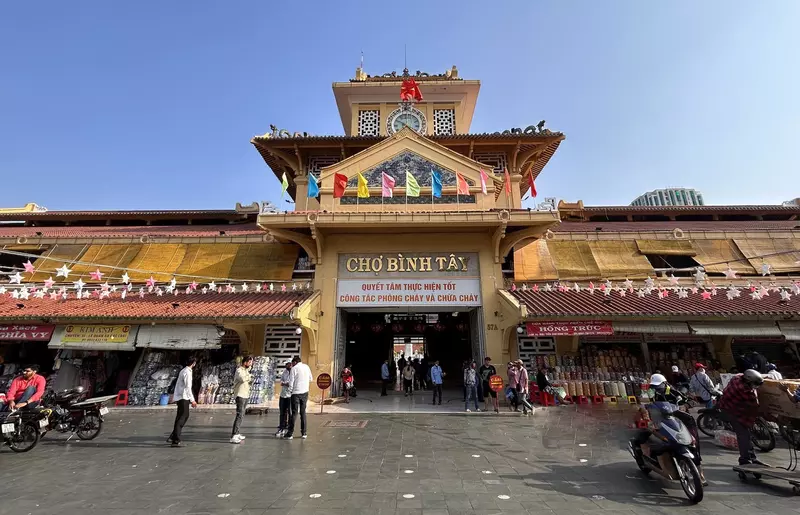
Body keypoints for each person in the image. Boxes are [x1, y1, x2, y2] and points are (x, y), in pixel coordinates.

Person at [630, 374, 707, 484]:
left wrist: (685, 406)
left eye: (659, 386)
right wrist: (643, 411)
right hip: (663, 422)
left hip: (683, 422)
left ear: (665, 384)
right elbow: (644, 404)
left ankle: (700, 475)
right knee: (647, 436)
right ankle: (648, 458)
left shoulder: (676, 392)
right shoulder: (652, 393)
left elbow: (692, 400)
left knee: (694, 447)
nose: (657, 389)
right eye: (654, 387)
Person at [718, 369, 766, 466]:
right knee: (743, 436)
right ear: (748, 382)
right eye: (754, 384)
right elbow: (755, 407)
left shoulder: (737, 378)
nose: (755, 387)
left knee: (746, 435)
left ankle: (751, 457)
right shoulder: (747, 392)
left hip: (725, 405)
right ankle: (744, 459)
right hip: (734, 412)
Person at [168, 357, 197, 447]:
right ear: (193, 363)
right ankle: (175, 439)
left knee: (180, 417)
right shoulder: (187, 372)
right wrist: (192, 400)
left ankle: (173, 436)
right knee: (183, 417)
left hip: (180, 396)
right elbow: (188, 387)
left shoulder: (183, 371)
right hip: (183, 397)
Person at [284, 356, 313, 440]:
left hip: (295, 393)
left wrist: (290, 391)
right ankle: (304, 433)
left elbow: (291, 382)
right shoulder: (306, 367)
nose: (291, 365)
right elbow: (311, 379)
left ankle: (290, 433)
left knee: (294, 413)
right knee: (303, 412)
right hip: (305, 392)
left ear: (295, 362)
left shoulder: (294, 369)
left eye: (292, 363)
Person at [230, 355, 253, 444]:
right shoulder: (239, 370)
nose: (251, 364)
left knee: (242, 415)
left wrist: (250, 377)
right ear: (245, 362)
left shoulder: (246, 371)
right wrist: (249, 376)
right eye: (249, 362)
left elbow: (249, 380)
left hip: (246, 394)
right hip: (240, 395)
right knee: (239, 415)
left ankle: (237, 432)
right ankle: (234, 435)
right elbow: (243, 379)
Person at [275, 361, 293, 437]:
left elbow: (291, 383)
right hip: (283, 394)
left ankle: (289, 428)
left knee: (290, 412)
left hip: (290, 395)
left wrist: (285, 383)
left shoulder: (294, 372)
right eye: (286, 364)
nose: (287, 365)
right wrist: (284, 383)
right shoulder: (284, 372)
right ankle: (282, 427)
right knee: (282, 412)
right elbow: (281, 381)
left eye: (288, 364)